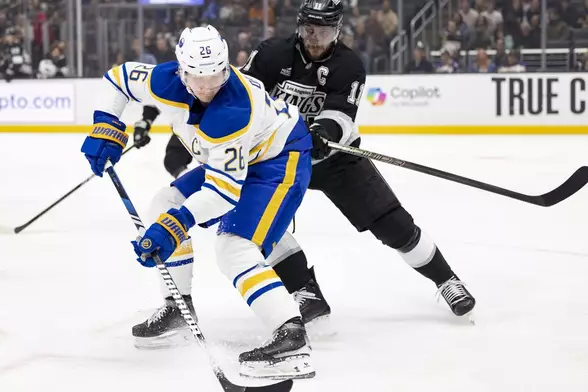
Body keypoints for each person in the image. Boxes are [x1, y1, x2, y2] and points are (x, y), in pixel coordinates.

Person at [134, 0, 476, 329]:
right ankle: (306, 293)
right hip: (274, 157)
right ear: (300, 26)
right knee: (257, 223)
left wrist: (322, 130)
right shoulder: (272, 54)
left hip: (334, 159)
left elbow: (342, 114)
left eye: (323, 32)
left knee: (391, 224)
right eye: (309, 29)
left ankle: (446, 280)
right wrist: (184, 140)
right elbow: (231, 95)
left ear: (338, 31)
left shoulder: (349, 66)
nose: (314, 38)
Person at [79, 25, 315, 380]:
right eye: (197, 78)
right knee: (165, 202)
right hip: (239, 161)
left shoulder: (233, 109)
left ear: (226, 67)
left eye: (217, 75)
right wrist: (106, 124)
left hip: (279, 160)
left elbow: (223, 192)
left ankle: (291, 335)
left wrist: (175, 226)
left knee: (234, 247)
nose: (207, 87)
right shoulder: (164, 80)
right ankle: (178, 307)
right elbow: (118, 79)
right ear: (181, 70)